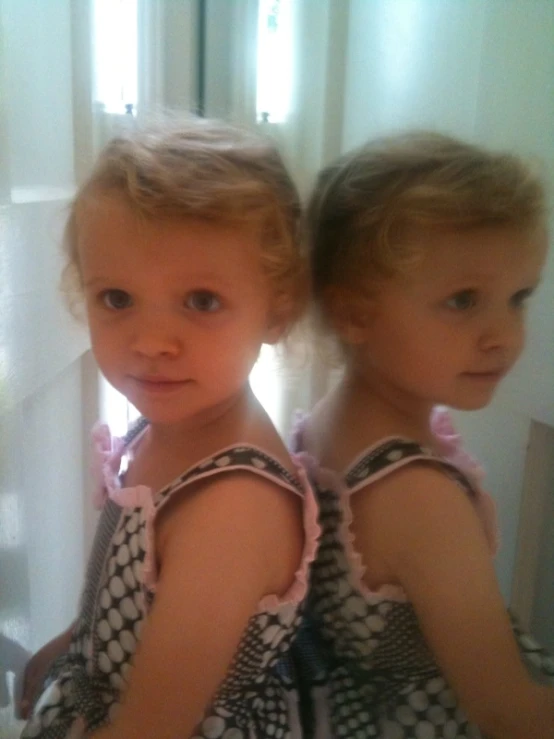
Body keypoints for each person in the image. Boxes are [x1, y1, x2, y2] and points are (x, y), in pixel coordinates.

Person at [18, 116, 319, 739]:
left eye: (202, 301)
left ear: (278, 308)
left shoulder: (232, 508)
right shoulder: (171, 428)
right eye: (118, 299)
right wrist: (74, 643)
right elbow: (129, 600)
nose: (150, 343)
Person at [292, 131, 554, 738]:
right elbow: (509, 713)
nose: (502, 336)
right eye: (463, 301)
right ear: (355, 313)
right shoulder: (419, 498)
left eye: (518, 298)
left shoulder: (329, 423)